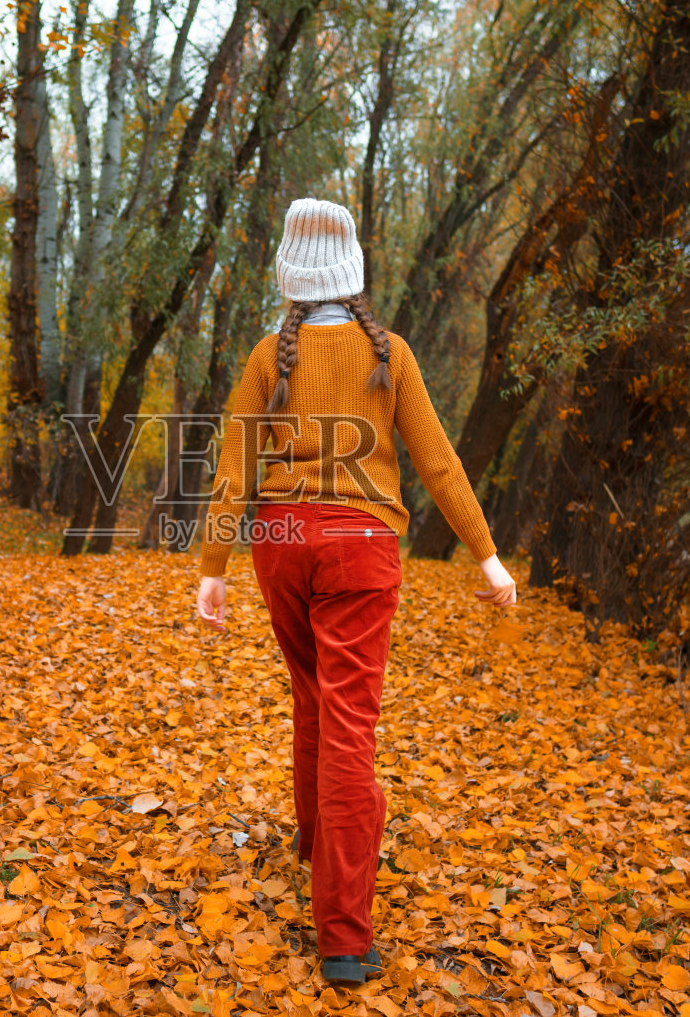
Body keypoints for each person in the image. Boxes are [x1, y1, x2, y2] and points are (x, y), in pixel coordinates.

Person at [194, 198, 519, 986]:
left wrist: (213, 566)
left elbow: (235, 466)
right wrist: (488, 556)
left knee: (313, 698)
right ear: (353, 273)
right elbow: (437, 460)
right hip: (361, 549)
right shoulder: (391, 354)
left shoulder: (271, 354)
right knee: (349, 723)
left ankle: (318, 847)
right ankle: (342, 933)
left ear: (289, 277)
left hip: (280, 545)